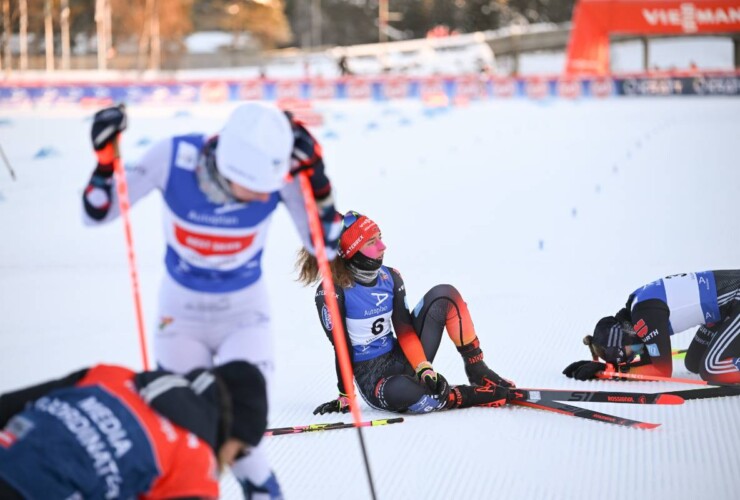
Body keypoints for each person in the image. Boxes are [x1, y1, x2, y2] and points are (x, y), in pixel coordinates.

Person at [81, 102, 342, 498]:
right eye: (253, 187)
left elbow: (326, 246)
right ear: (226, 167)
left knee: (245, 429)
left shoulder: (281, 172)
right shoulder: (172, 158)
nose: (262, 195)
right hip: (180, 315)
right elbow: (98, 213)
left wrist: (317, 183)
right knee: (189, 431)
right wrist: (105, 162)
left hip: (244, 313)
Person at [296, 210, 515, 415]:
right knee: (405, 391)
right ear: (352, 251)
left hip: (402, 356)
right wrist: (346, 395)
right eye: (371, 242)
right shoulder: (332, 293)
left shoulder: (390, 277)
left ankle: (478, 370)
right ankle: (461, 396)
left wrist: (423, 367)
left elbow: (405, 330)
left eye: (379, 237)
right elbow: (341, 348)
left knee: (444, 295)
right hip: (374, 379)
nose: (383, 246)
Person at [0, 360, 267, 499]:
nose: (232, 463)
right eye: (240, 452)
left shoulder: (112, 375)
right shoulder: (193, 465)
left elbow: (8, 406)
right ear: (231, 428)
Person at [564, 271, 740, 384]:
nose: (635, 354)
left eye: (627, 354)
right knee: (693, 362)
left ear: (625, 335)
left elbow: (662, 371)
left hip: (735, 301)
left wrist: (614, 372)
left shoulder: (644, 318)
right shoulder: (636, 306)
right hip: (725, 309)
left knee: (711, 369)